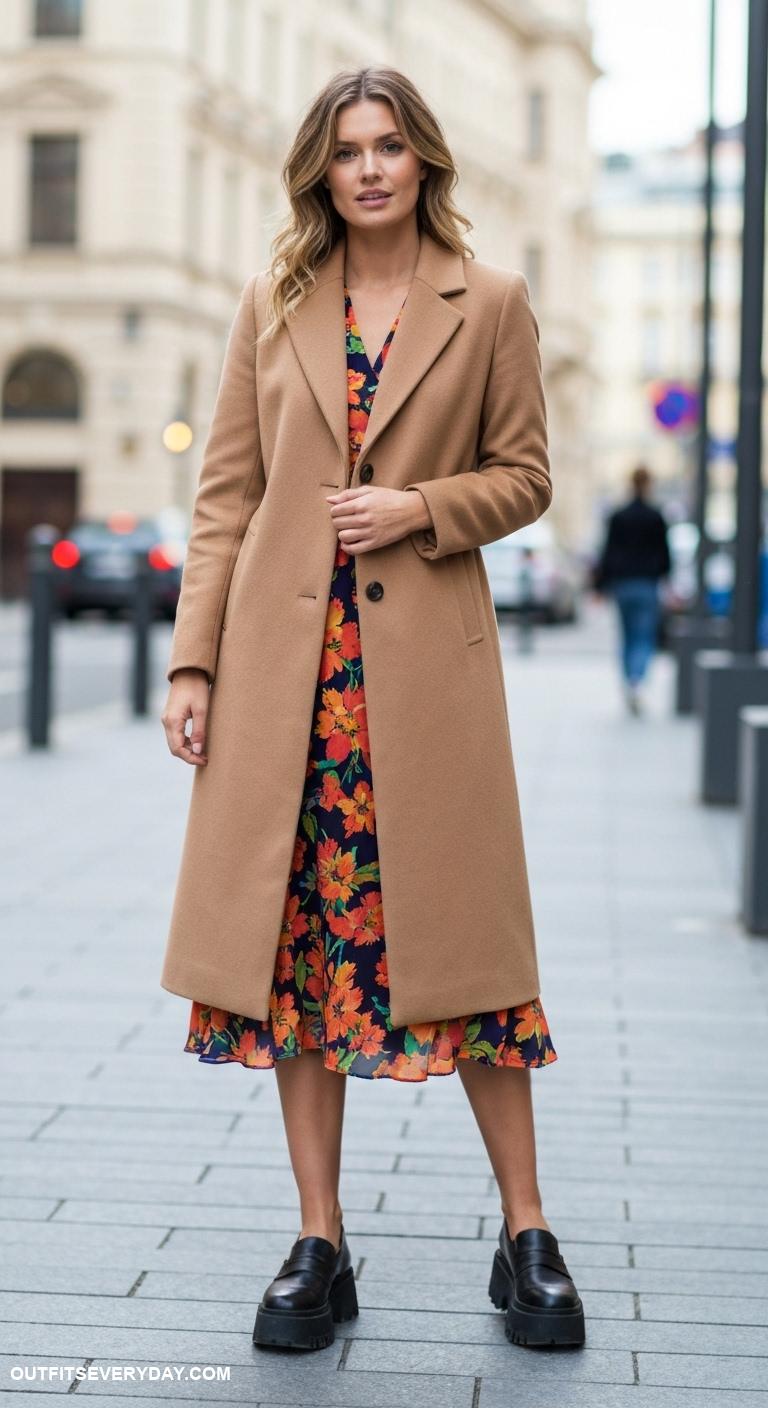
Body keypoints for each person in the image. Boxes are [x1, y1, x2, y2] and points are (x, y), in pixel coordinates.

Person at [160, 65, 585, 1354]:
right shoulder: (273, 301)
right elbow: (226, 499)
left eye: (390, 144)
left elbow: (527, 478)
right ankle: (320, 1238)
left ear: (424, 160)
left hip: (426, 691)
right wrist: (193, 665)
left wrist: (422, 508)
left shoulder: (492, 302)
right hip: (291, 692)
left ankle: (526, 1235)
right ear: (322, 171)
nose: (370, 168)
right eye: (347, 150)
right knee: (297, 964)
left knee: (473, 964)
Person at [592, 464, 672, 714]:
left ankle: (629, 681)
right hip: (647, 583)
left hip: (622, 584)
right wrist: (665, 576)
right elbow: (664, 554)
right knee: (644, 636)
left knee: (626, 636)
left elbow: (607, 551)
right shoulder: (656, 516)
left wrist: (600, 584)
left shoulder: (618, 516)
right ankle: (637, 680)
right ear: (649, 484)